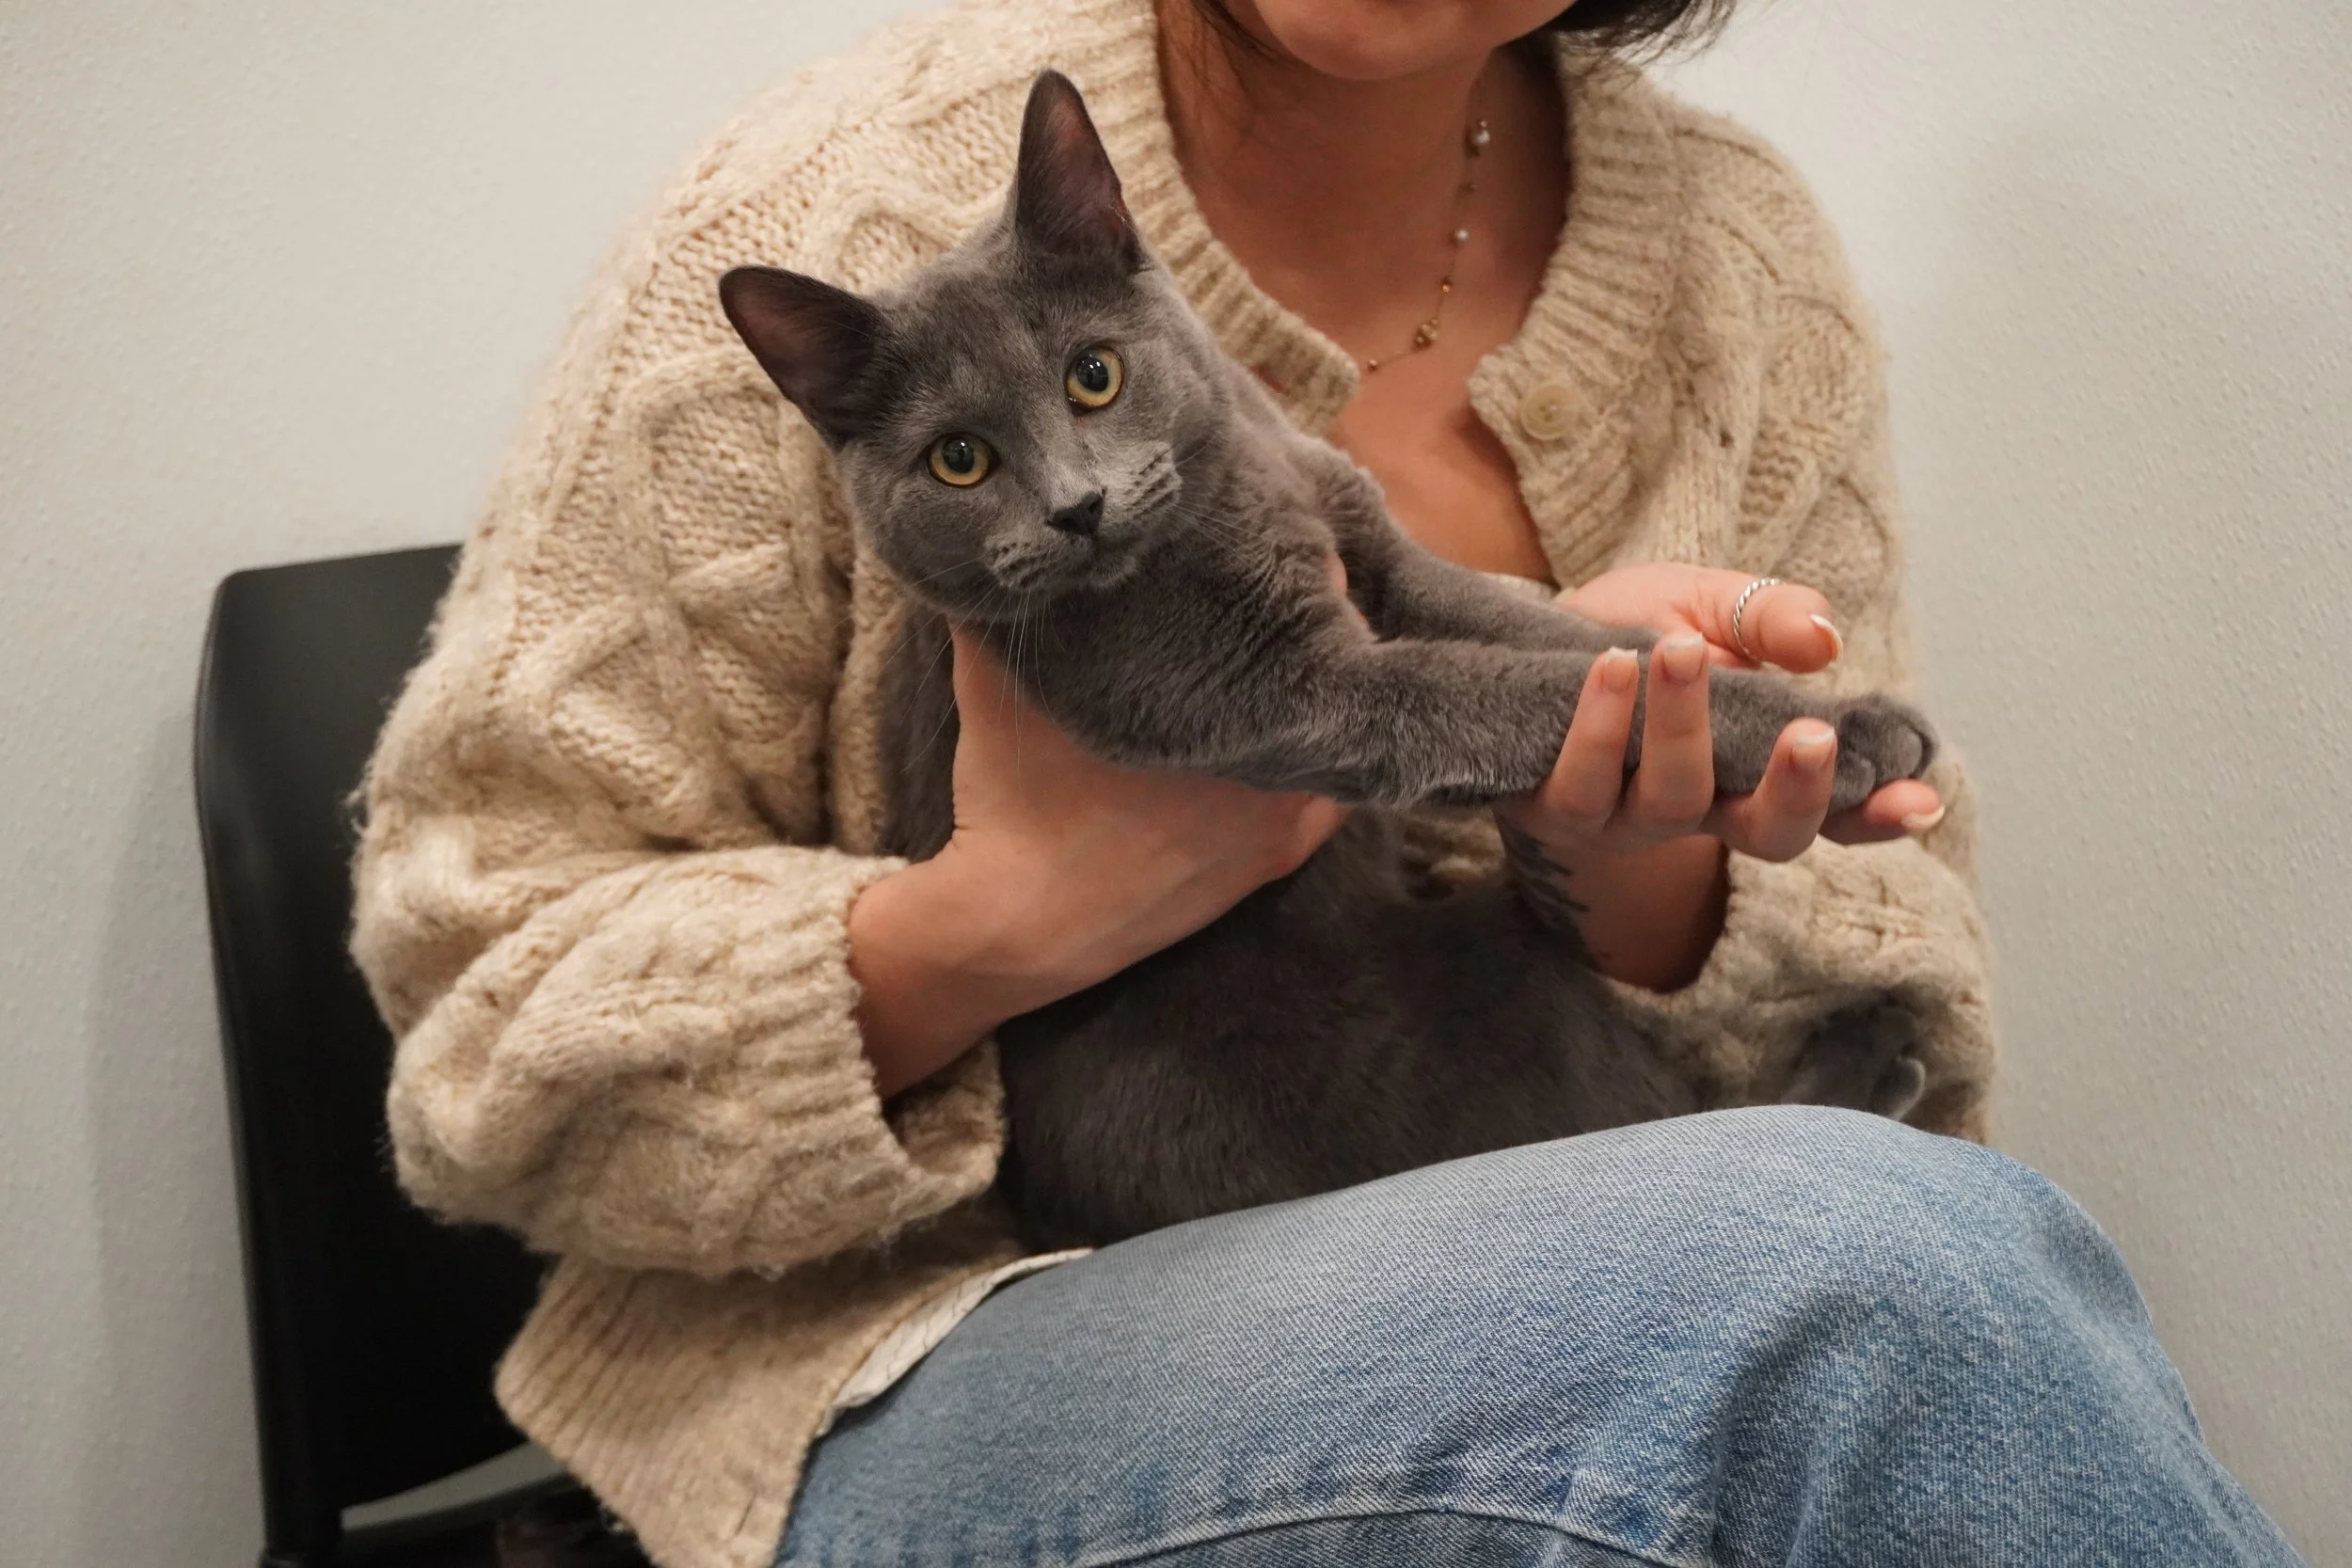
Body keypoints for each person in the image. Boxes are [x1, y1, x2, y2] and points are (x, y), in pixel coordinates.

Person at [350, 0, 2305, 1563]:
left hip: (1577, 1213)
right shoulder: (827, 207)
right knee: (1869, 1289)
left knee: (1888, 1267)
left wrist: (1629, 848)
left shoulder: (1742, 268)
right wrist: (976, 927)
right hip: (923, 1357)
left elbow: (1893, 977)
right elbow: (483, 1042)